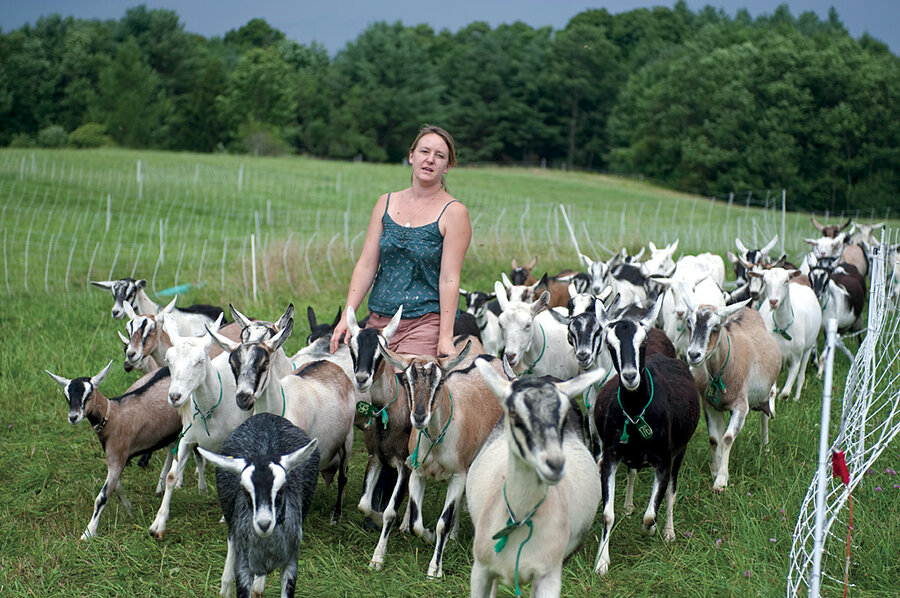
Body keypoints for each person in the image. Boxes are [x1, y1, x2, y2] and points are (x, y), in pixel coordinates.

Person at [330, 125, 471, 357]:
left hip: (424, 323)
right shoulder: (385, 203)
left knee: (401, 385)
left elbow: (449, 278)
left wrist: (445, 337)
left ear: (448, 166)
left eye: (439, 156)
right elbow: (367, 264)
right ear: (411, 156)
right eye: (425, 152)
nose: (430, 160)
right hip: (378, 323)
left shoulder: (454, 212)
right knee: (360, 387)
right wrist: (348, 314)